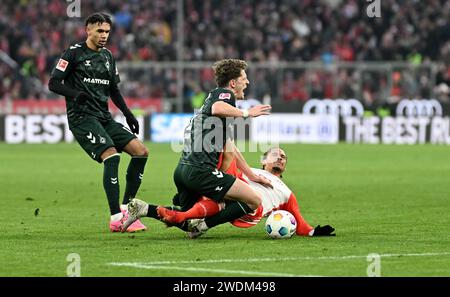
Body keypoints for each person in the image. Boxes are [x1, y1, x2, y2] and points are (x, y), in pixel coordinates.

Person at [122, 59, 272, 232]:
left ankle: (145, 209)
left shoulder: (211, 109)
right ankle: (204, 226)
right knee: (254, 200)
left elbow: (231, 149)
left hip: (183, 171)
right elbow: (218, 107)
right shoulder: (225, 95)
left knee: (187, 220)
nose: (247, 82)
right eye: (244, 78)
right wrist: (247, 113)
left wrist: (251, 175)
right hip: (201, 171)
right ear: (233, 82)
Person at [48, 13, 148, 232]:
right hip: (82, 118)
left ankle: (127, 211)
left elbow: (114, 89)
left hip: (104, 117)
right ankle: (115, 219)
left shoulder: (108, 56)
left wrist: (128, 113)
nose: (104, 36)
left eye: (107, 31)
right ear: (88, 30)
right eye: (100, 31)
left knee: (141, 152)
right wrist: (75, 94)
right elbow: (53, 83)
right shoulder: (73, 54)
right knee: (111, 156)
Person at [142, 147, 336, 238]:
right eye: (275, 155)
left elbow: (299, 222)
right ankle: (146, 209)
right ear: (263, 161)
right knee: (190, 222)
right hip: (233, 195)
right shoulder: (250, 171)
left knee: (255, 200)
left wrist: (313, 232)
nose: (280, 158)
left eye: (284, 157)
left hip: (251, 211)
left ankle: (199, 215)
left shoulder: (286, 192)